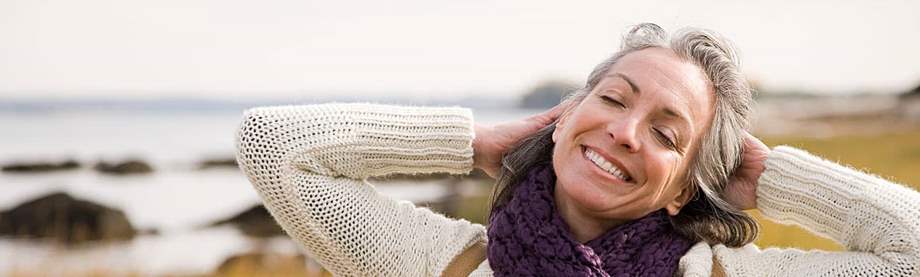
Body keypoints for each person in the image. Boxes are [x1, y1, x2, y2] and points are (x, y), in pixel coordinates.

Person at [234, 23, 920, 276]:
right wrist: (476, 145)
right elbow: (271, 147)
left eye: (664, 132)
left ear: (684, 185)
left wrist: (768, 177)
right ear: (563, 119)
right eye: (614, 99)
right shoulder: (438, 260)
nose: (625, 130)